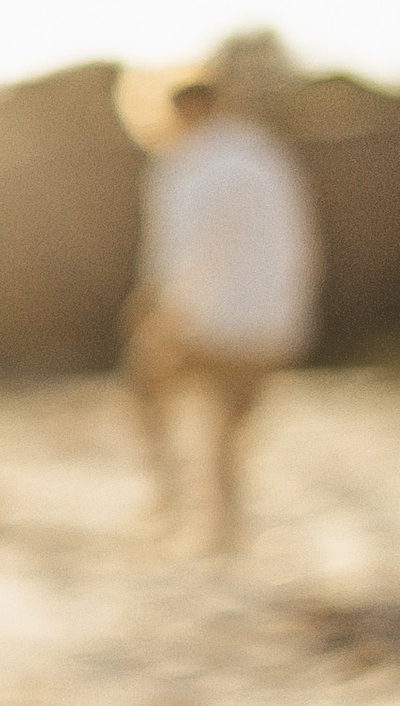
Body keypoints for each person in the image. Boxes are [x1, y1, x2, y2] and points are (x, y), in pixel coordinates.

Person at [115, 49, 321, 552]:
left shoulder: (183, 164)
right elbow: (297, 239)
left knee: (144, 386)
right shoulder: (262, 152)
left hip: (209, 320)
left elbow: (181, 254)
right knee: (228, 431)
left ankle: (168, 493)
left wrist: (152, 309)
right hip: (275, 320)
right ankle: (226, 531)